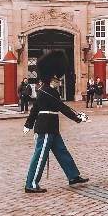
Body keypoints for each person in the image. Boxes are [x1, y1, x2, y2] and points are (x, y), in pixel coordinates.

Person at [23, 50, 90, 194]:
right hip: (46, 127)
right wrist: (78, 118)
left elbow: (35, 109)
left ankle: (73, 176)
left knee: (62, 152)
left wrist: (28, 124)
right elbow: (62, 107)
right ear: (52, 78)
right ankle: (31, 183)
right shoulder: (48, 91)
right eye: (57, 79)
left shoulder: (47, 90)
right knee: (40, 155)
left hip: (52, 126)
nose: (59, 81)